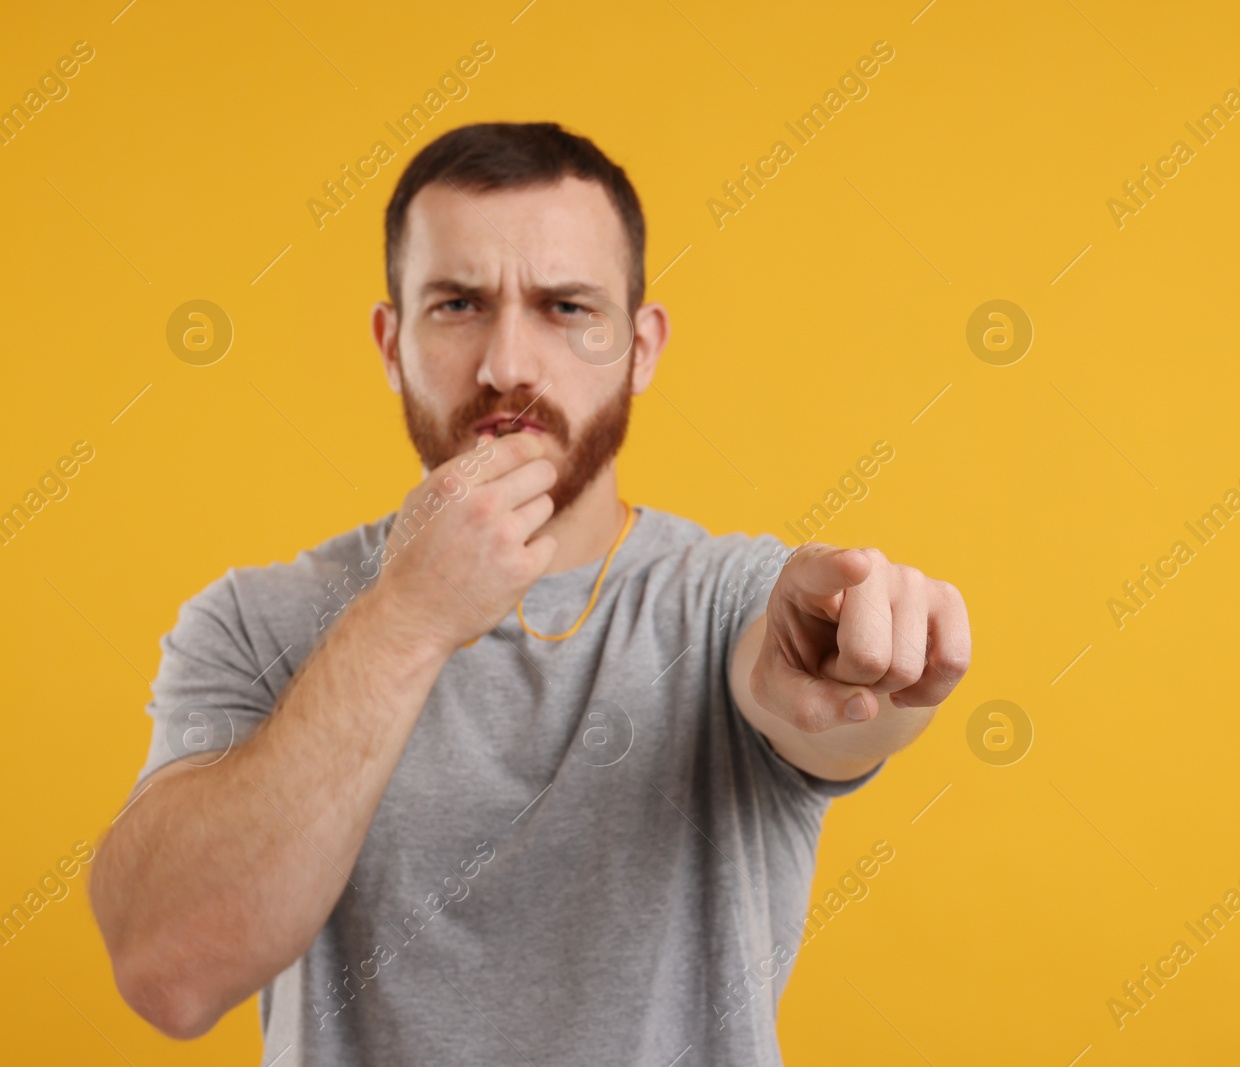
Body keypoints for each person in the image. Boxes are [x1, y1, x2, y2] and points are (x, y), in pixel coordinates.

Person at [89, 121, 971, 1067]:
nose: (507, 362)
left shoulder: (726, 599)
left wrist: (865, 666)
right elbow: (169, 967)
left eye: (565, 308)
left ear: (640, 348)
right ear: (391, 343)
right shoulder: (251, 619)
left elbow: (816, 701)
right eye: (459, 303)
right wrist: (409, 617)